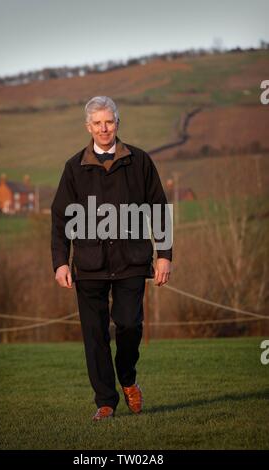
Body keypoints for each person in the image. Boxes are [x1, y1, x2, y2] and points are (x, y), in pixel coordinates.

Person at [51, 96, 172, 421]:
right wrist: (61, 261)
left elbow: (159, 208)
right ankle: (105, 401)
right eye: (98, 123)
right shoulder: (74, 167)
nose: (104, 128)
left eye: (109, 121)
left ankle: (128, 377)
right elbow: (61, 217)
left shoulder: (140, 161)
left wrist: (164, 254)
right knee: (94, 335)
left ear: (118, 123)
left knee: (129, 324)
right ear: (88, 127)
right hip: (89, 265)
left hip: (132, 260)